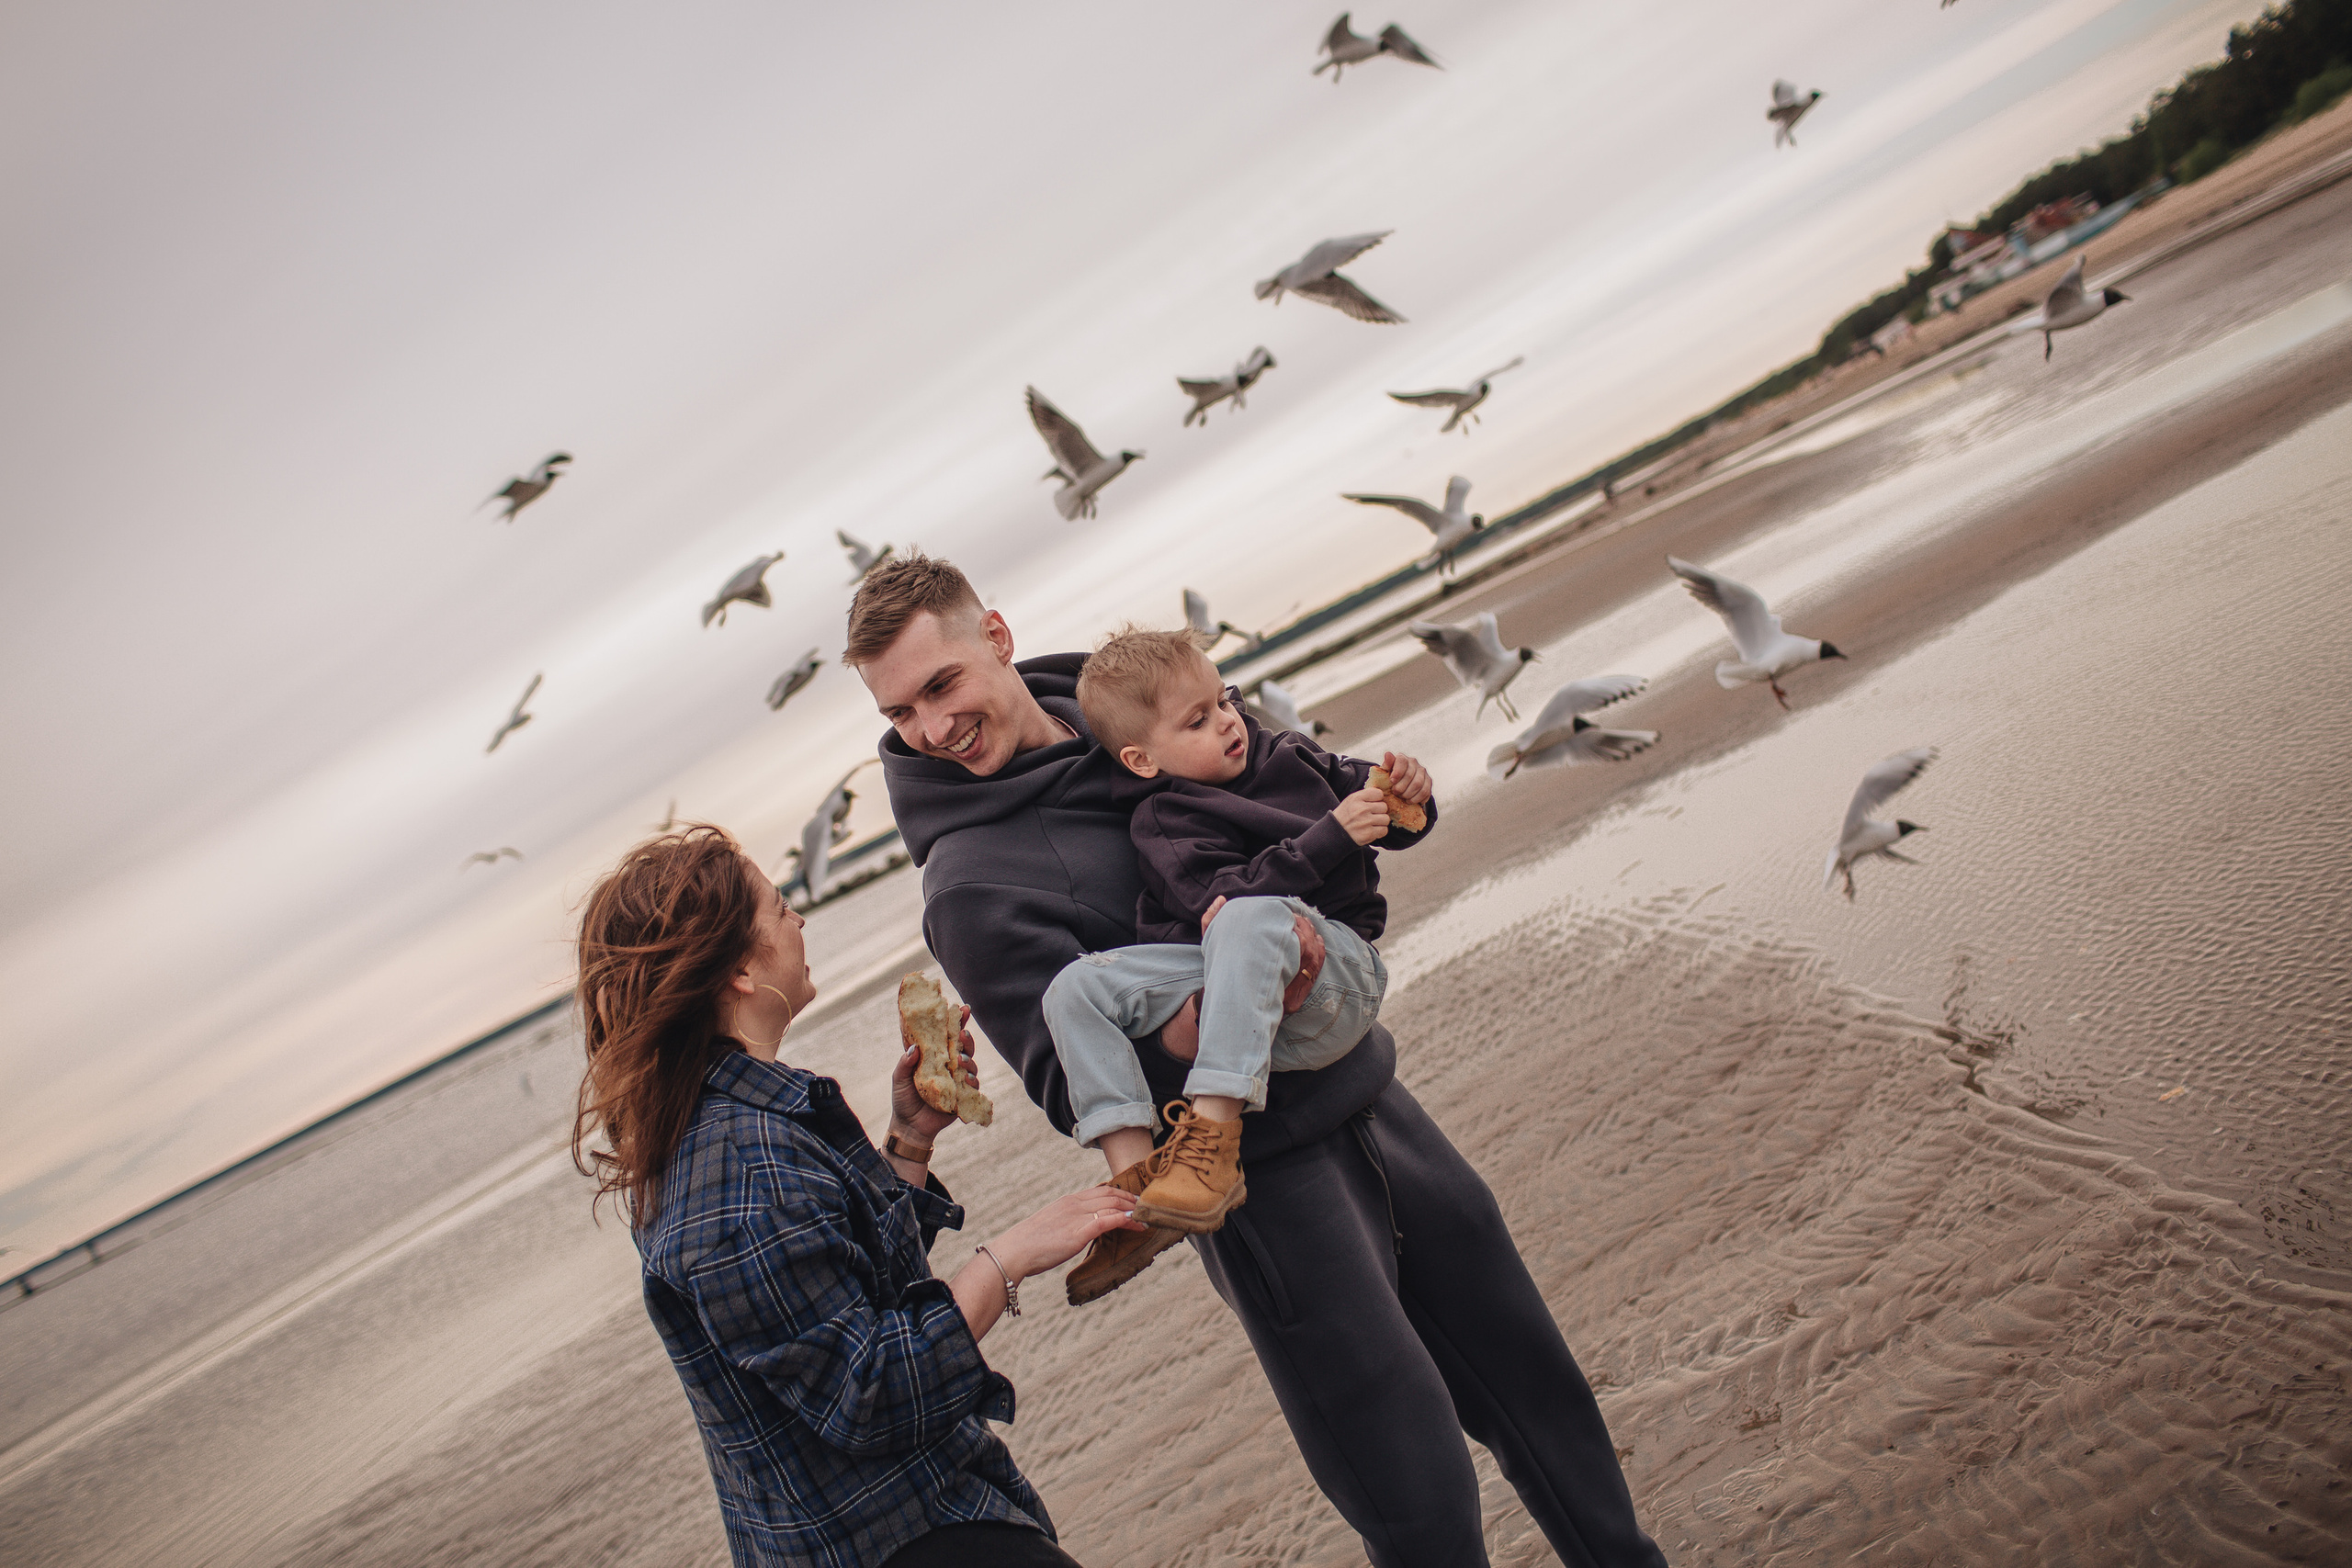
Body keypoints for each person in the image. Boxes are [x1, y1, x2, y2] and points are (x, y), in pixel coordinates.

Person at [848, 553, 1668, 1568]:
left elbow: (1306, 797)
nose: (931, 727)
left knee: (1545, 1403)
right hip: (1265, 1193)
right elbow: (1070, 1081)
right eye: (902, 712)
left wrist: (1386, 815)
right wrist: (1214, 1020)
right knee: (1418, 1501)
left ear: (998, 638)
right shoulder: (969, 884)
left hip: (1375, 1102)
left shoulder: (1144, 707)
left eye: (942, 684)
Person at [572, 824, 1143, 1568]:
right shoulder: (738, 1167)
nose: (799, 920)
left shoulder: (736, 1122)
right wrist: (1007, 1258)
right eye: (780, 908)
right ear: (742, 970)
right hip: (897, 1541)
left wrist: (909, 1138)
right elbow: (867, 1389)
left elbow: (841, 1290)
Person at [1040, 625, 1434, 1243]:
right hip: (1241, 1002)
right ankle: (1136, 1189)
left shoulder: (1288, 755)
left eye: (1224, 699)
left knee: (1246, 916)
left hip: (1335, 976)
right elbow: (1211, 901)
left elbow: (1392, 817)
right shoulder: (1163, 819)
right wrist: (1330, 834)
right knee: (1072, 989)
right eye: (1197, 720)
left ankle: (1209, 1148)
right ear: (1142, 759)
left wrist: (1412, 795)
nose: (1228, 721)